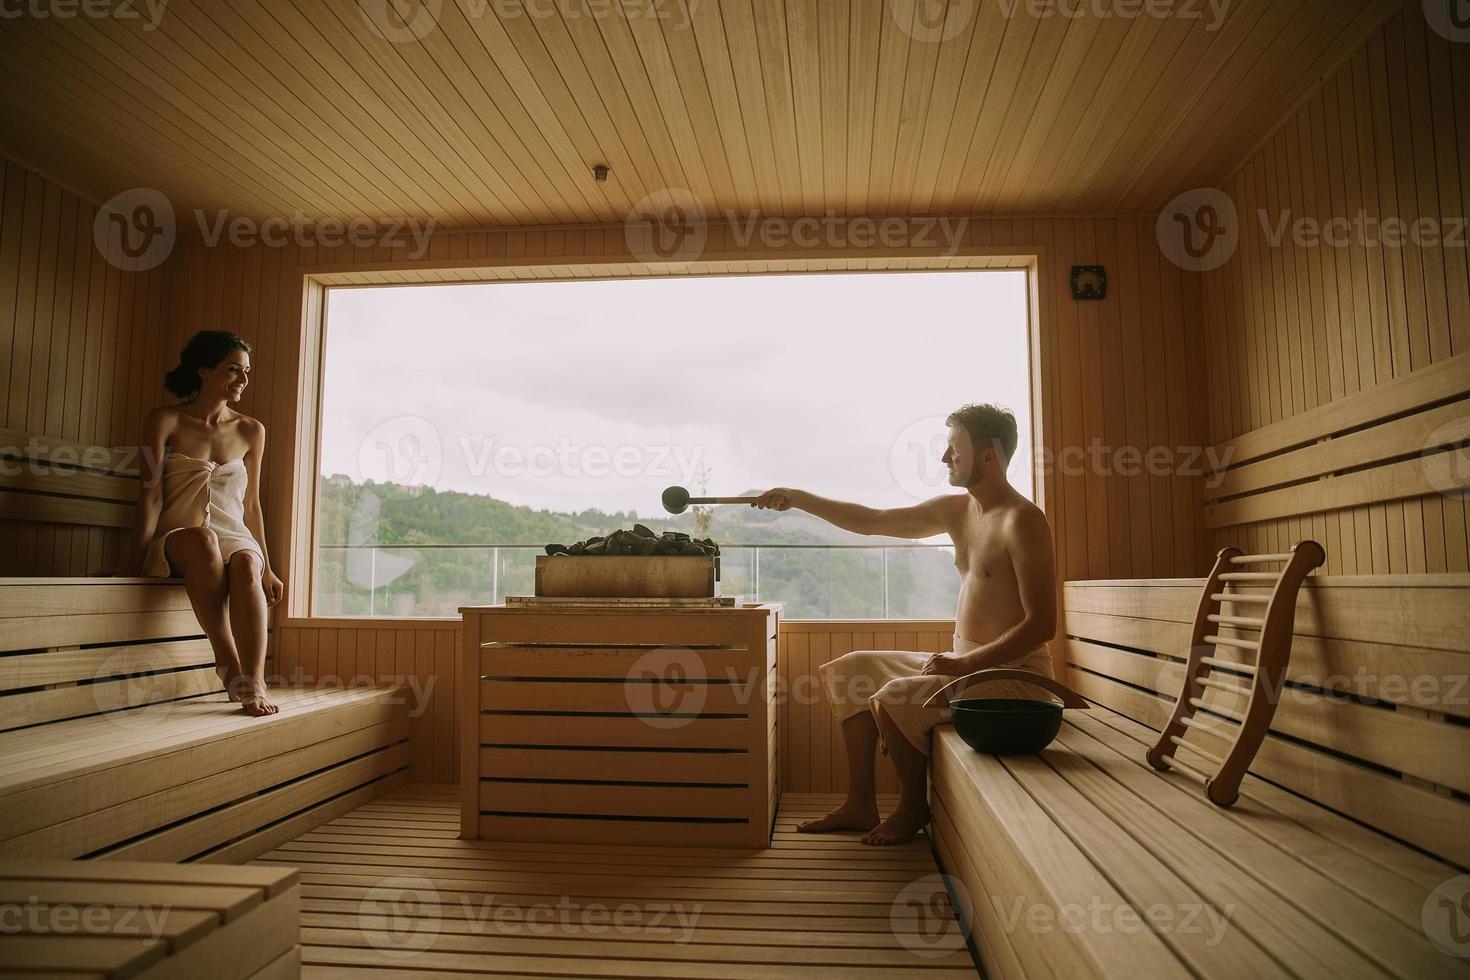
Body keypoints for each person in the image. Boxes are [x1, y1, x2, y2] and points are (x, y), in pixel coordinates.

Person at [752, 403, 1057, 845]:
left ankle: (913, 808)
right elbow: (872, 520)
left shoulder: (1023, 520)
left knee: (894, 693)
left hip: (1017, 678)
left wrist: (964, 664)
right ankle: (860, 804)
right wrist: (798, 498)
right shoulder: (959, 512)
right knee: (851, 669)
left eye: (955, 449)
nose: (944, 459)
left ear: (988, 456)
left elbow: (1041, 625)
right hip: (967, 666)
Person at [133, 330, 285, 717]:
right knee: (203, 540)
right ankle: (226, 661)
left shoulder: (252, 430)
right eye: (233, 370)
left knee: (247, 563)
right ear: (204, 371)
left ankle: (254, 681)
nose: (243, 380)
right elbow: (149, 492)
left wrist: (267, 565)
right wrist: (138, 558)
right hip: (180, 536)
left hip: (234, 535)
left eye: (246, 372)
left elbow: (251, 505)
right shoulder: (163, 421)